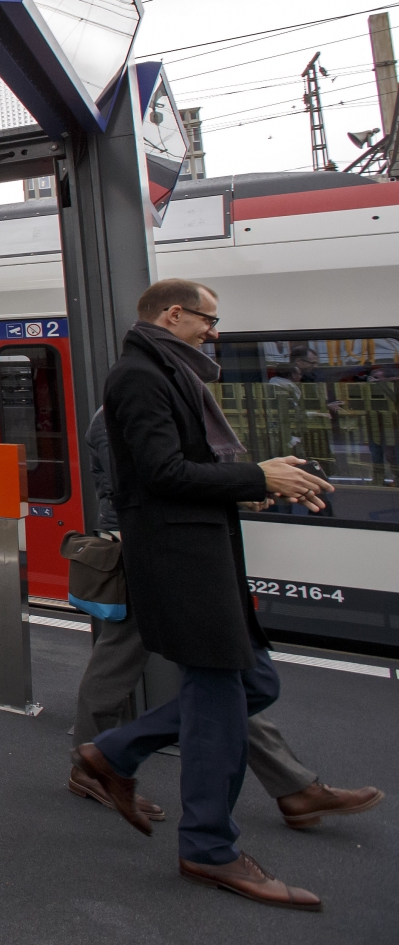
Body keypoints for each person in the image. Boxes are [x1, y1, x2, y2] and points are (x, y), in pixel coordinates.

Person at [70, 279, 340, 910]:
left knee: (254, 683)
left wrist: (245, 486)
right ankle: (210, 849)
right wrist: (254, 475)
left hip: (199, 555)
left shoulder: (171, 374)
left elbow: (176, 472)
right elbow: (160, 473)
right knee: (222, 695)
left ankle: (111, 753)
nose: (214, 332)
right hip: (179, 562)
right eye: (208, 320)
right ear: (173, 314)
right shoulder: (139, 377)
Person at [69, 407, 380, 829]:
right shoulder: (125, 410)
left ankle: (295, 788)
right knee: (139, 664)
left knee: (218, 674)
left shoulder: (152, 408)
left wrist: (241, 490)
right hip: (145, 551)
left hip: (169, 548)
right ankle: (94, 765)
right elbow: (146, 484)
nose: (212, 336)